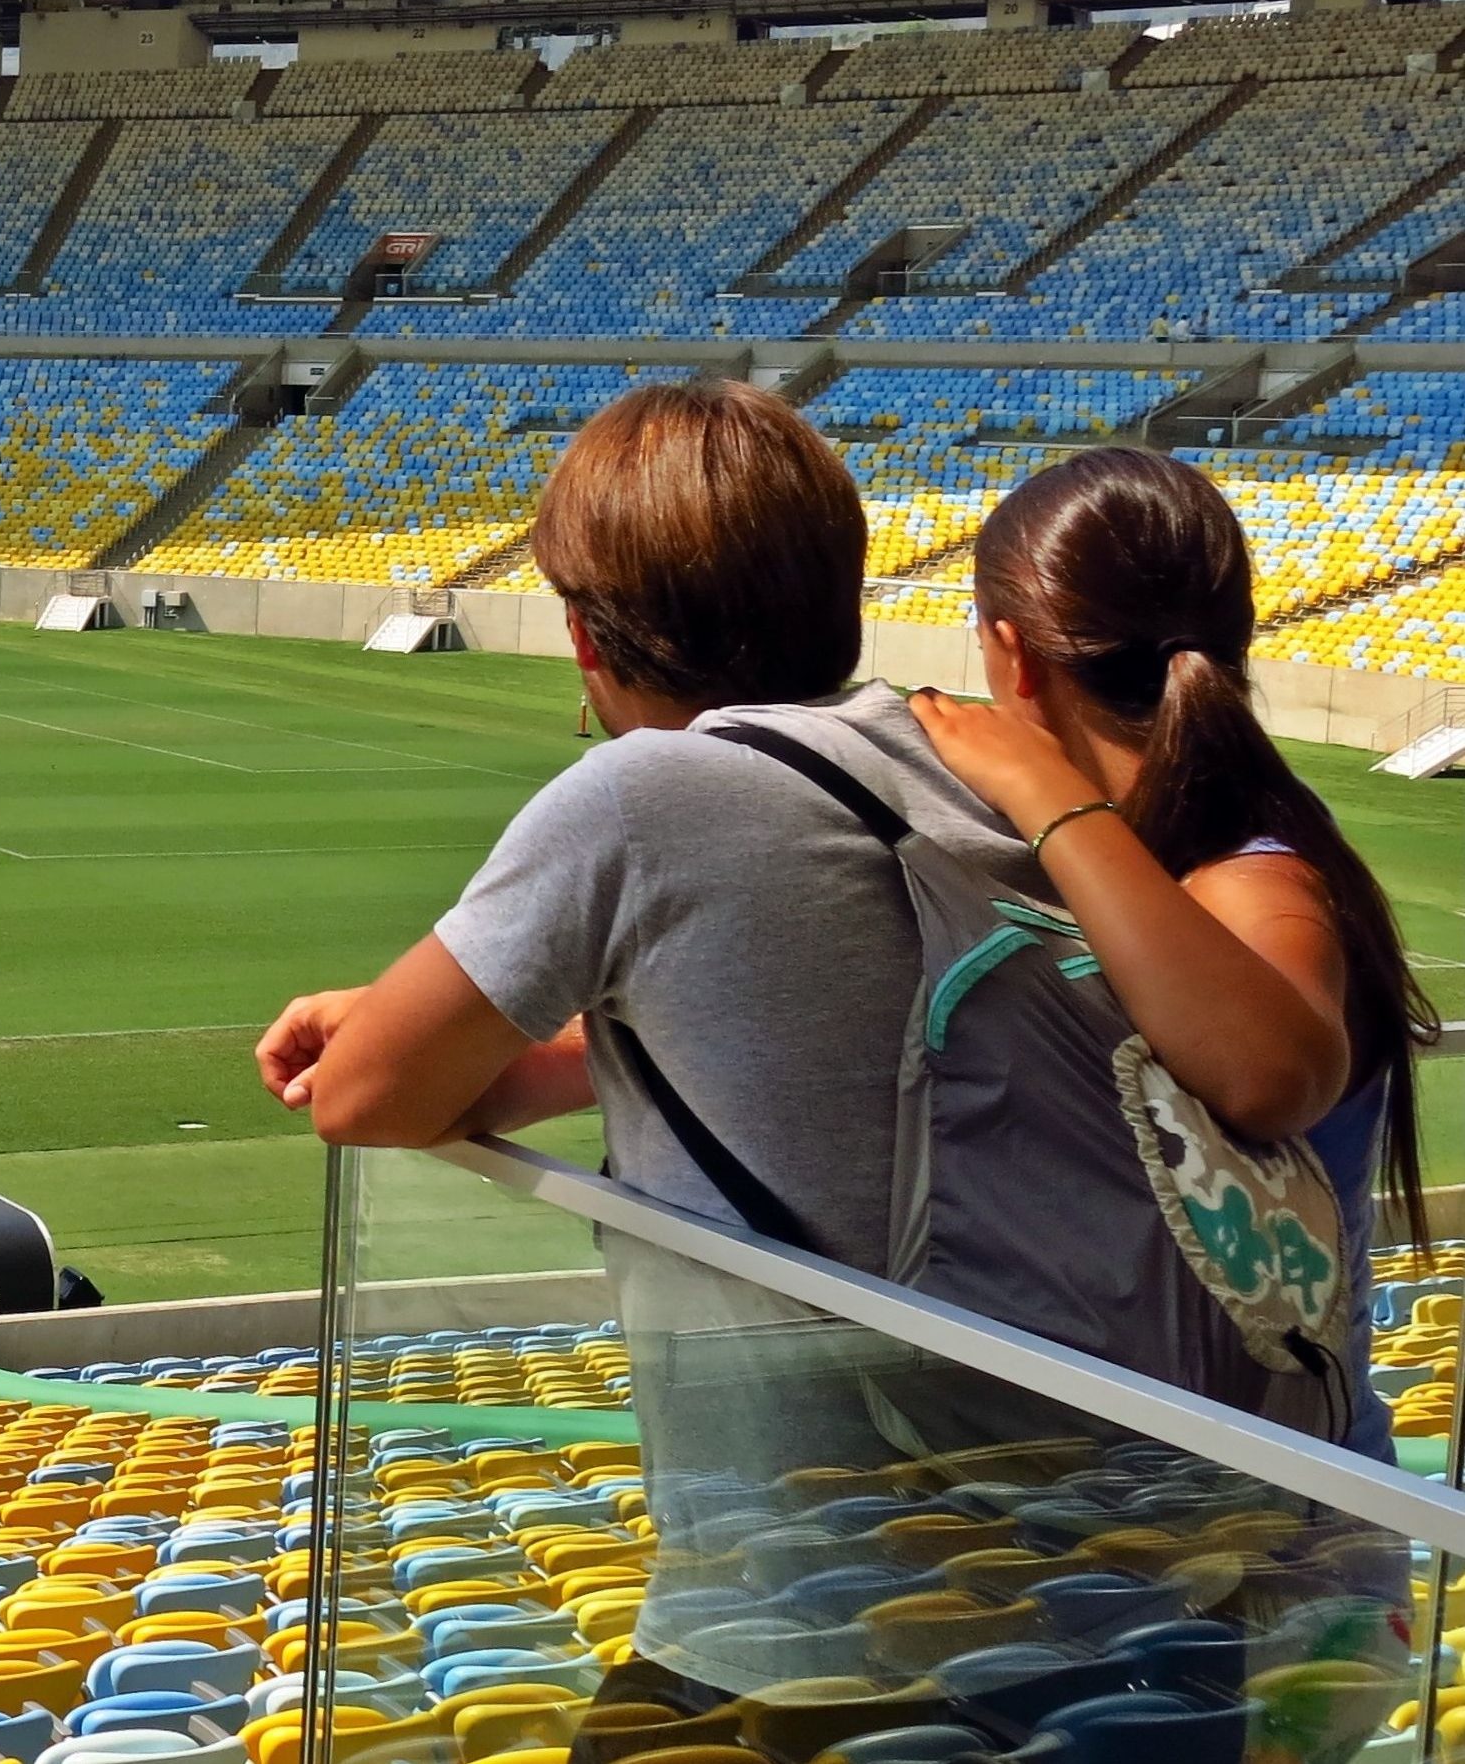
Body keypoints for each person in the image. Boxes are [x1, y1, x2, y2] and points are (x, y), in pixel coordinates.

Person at [256, 377, 1035, 1273]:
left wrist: (418, 1034)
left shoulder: (643, 795)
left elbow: (359, 1101)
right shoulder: (953, 754)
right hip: (1030, 1338)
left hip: (801, 1356)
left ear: (585, 635)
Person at [905, 445, 1439, 1458]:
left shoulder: (1254, 869)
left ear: (1012, 655)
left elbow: (1272, 1076)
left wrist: (1045, 798)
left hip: (1257, 1516)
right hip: (1195, 1487)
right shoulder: (1234, 830)